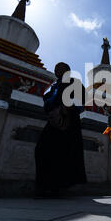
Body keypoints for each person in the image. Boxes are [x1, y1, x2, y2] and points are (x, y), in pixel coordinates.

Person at [34, 62, 87, 198]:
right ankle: (43, 184)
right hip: (54, 121)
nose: (56, 71)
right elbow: (47, 100)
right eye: (55, 69)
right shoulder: (54, 86)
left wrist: (70, 107)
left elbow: (82, 101)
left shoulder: (75, 83)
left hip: (69, 122)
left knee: (63, 153)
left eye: (60, 69)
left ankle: (57, 187)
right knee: (42, 150)